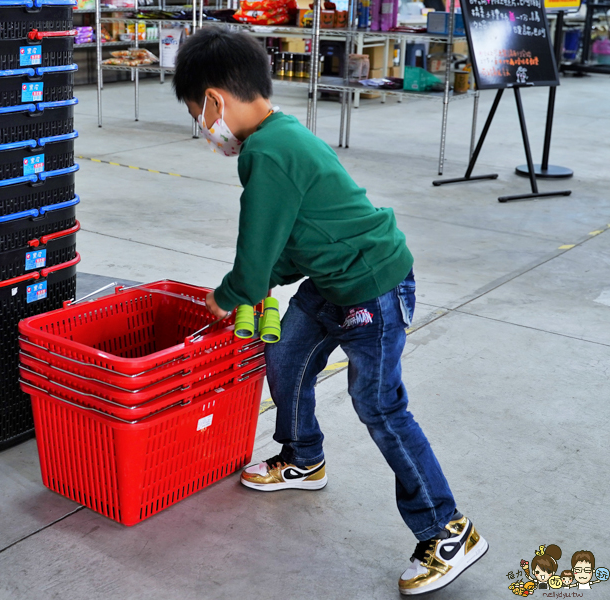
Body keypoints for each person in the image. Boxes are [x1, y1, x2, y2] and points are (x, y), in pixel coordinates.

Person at [172, 27, 488, 596]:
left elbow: (255, 248)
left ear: (215, 99)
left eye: (199, 113)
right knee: (287, 358)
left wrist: (229, 295)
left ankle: (447, 530)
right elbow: (291, 243)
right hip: (332, 279)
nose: (204, 128)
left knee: (379, 406)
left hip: (373, 285)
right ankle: (303, 457)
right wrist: (260, 282)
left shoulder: (269, 153)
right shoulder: (281, 135)